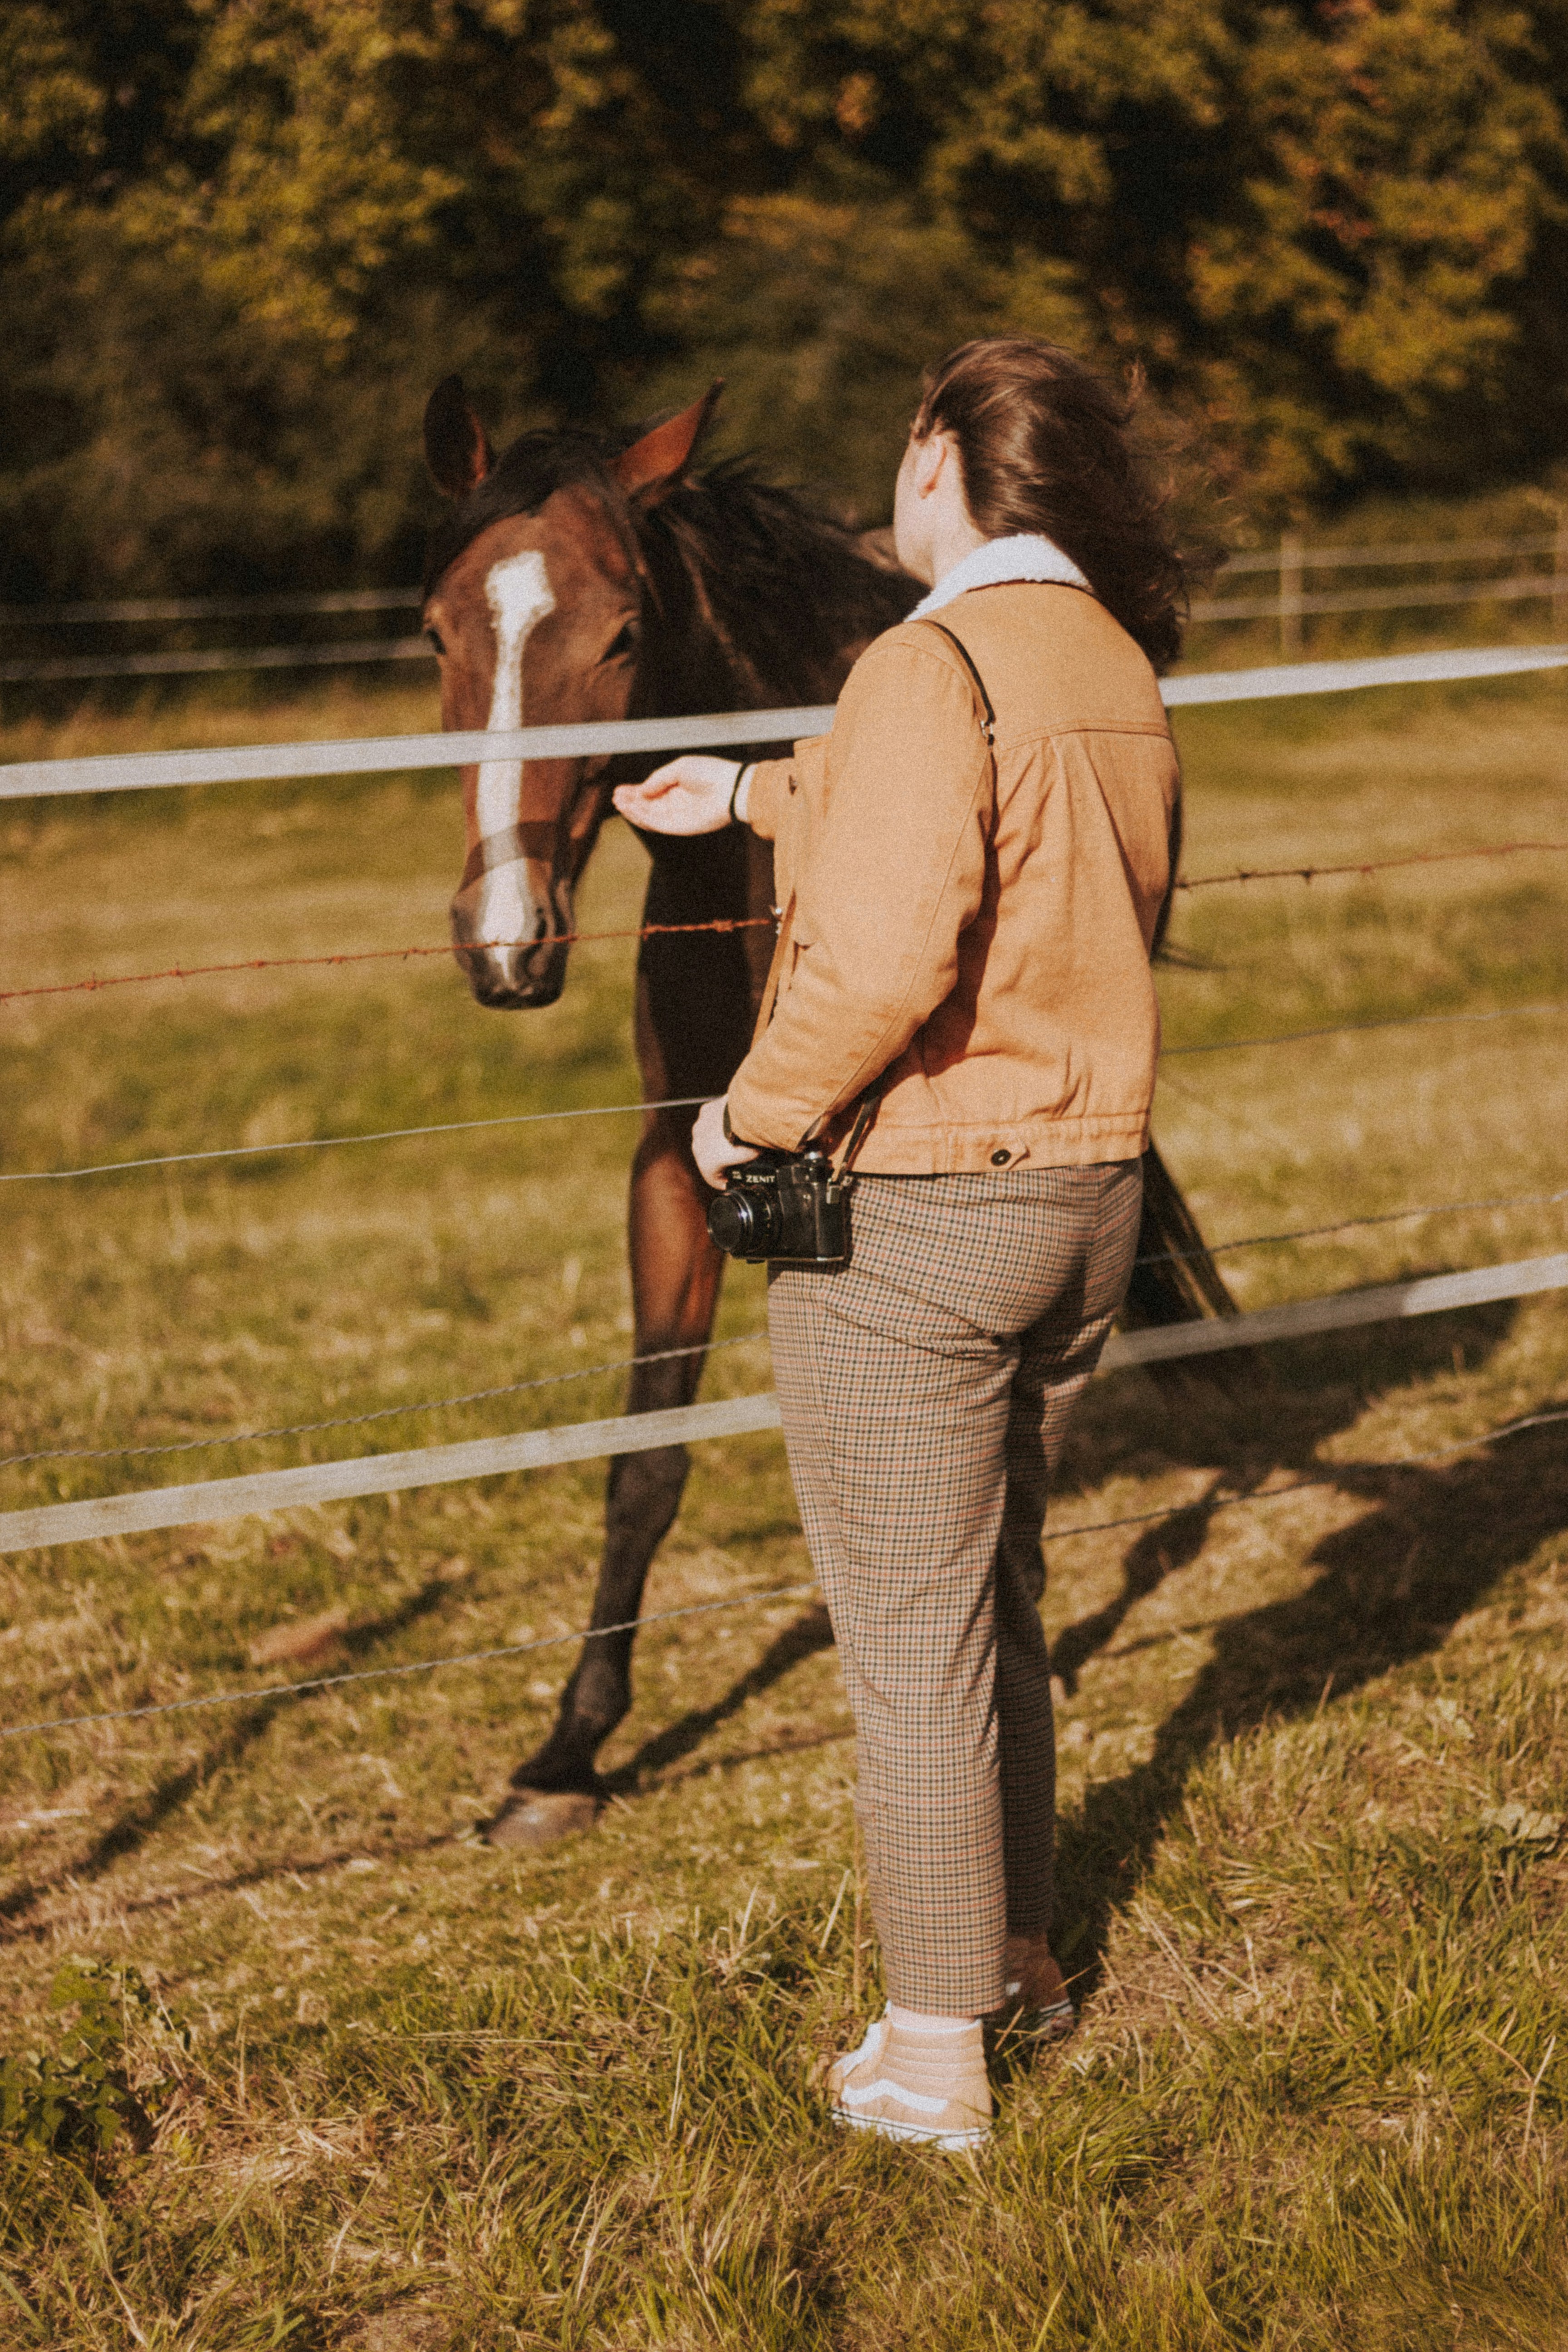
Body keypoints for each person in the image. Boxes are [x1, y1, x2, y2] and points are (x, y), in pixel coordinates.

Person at [611, 338, 1188, 2153]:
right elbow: (1005, 818)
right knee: (996, 1594)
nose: (889, 483)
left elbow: (883, 952)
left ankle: (932, 2052)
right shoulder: (1100, 660)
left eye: (903, 449)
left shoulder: (925, 656)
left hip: (927, 1212)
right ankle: (1013, 1951)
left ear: (948, 459)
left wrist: (742, 1122)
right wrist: (757, 791)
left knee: (909, 1639)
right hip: (1084, 1195)